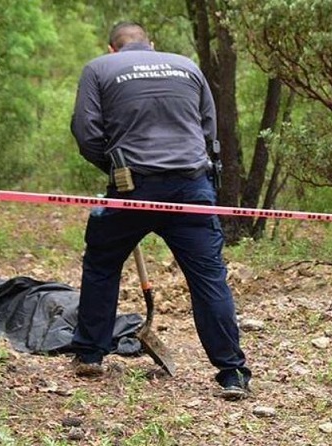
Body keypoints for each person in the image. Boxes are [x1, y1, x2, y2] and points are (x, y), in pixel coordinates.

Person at [69, 21, 251, 401]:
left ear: (112, 48)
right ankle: (232, 372)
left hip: (131, 187)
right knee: (208, 278)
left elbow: (86, 133)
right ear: (151, 44)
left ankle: (90, 353)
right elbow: (208, 131)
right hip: (192, 185)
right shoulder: (186, 66)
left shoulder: (100, 68)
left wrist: (116, 170)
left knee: (102, 264)